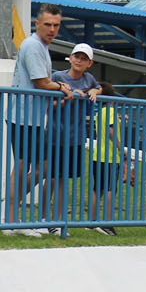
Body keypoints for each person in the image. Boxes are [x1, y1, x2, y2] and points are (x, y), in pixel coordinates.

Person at [5, 4, 73, 236]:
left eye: (56, 25)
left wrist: (58, 91)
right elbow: (41, 82)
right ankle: (11, 218)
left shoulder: (41, 47)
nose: (52, 29)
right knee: (28, 166)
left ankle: (12, 215)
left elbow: (44, 84)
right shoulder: (33, 46)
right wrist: (63, 87)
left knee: (37, 166)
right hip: (23, 116)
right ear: (37, 24)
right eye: (48, 24)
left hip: (32, 118)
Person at [47, 43, 102, 235]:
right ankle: (49, 219)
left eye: (84, 58)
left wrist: (95, 91)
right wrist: (68, 98)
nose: (79, 60)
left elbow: (98, 87)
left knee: (65, 178)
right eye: (76, 56)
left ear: (90, 63)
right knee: (54, 177)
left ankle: (58, 219)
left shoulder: (89, 79)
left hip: (76, 138)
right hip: (56, 135)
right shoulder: (58, 77)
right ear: (70, 58)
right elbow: (48, 104)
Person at [87, 84, 130, 235]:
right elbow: (111, 130)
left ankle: (91, 222)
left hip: (97, 155)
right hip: (110, 157)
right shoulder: (111, 111)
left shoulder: (100, 113)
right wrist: (121, 147)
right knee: (111, 189)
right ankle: (107, 222)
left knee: (96, 189)